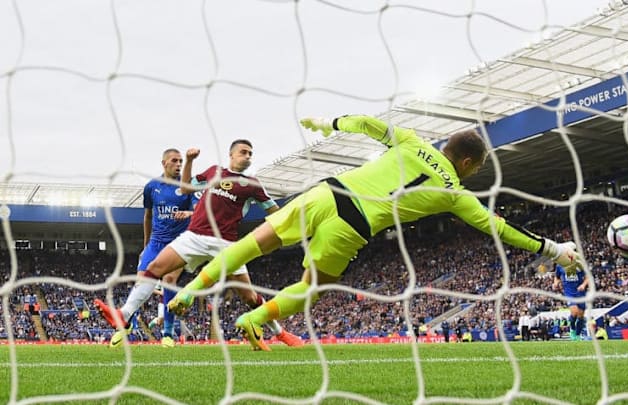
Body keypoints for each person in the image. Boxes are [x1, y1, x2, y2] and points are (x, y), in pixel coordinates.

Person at [168, 115, 583, 351]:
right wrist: (553, 247)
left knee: (249, 246)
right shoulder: (457, 194)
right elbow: (502, 229)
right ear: (470, 163)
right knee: (311, 287)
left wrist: (329, 124)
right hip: (353, 225)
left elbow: (366, 123)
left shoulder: (411, 140)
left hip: (328, 192)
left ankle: (191, 291)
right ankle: (254, 317)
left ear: (447, 145)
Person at [94, 140, 302, 348]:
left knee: (248, 296)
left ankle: (280, 333)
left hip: (226, 243)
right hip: (194, 236)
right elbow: (185, 188)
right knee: (155, 268)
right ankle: (124, 314)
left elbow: (276, 212)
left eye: (250, 154)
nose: (247, 156)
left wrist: (297, 220)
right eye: (243, 152)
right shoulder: (213, 172)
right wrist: (190, 161)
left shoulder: (253, 185)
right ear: (231, 154)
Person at [109, 148, 196, 348]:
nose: (179, 164)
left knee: (169, 280)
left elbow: (200, 211)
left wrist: (188, 214)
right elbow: (148, 216)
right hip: (155, 243)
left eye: (181, 161)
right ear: (164, 163)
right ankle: (128, 322)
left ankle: (168, 333)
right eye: (174, 161)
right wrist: (146, 244)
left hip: (178, 244)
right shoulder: (151, 187)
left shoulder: (187, 187)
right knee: (142, 280)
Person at [553, 263, 590, 341]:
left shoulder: (579, 264)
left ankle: (578, 335)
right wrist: (556, 283)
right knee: (574, 312)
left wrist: (583, 285)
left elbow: (588, 278)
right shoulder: (560, 266)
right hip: (569, 292)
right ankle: (572, 329)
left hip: (580, 292)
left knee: (581, 316)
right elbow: (557, 277)